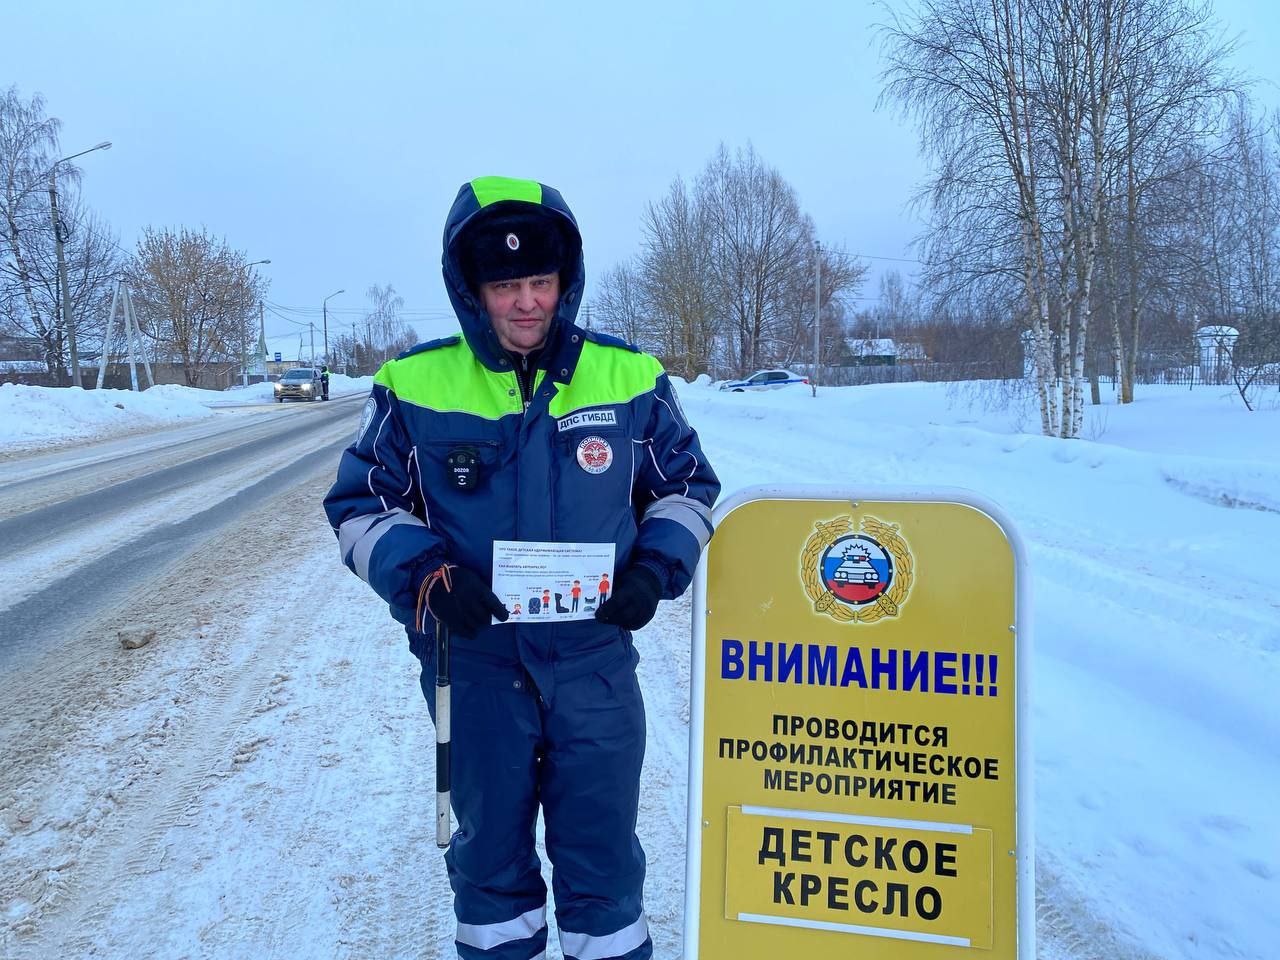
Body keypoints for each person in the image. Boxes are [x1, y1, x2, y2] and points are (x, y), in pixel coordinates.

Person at [323, 175, 720, 960]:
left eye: (540, 280)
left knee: (604, 862)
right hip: (475, 667)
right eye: (506, 285)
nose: (527, 301)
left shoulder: (631, 378)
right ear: (472, 290)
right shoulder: (414, 383)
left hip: (595, 665)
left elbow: (686, 488)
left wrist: (654, 570)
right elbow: (361, 504)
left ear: (565, 280)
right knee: (489, 866)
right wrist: (426, 575)